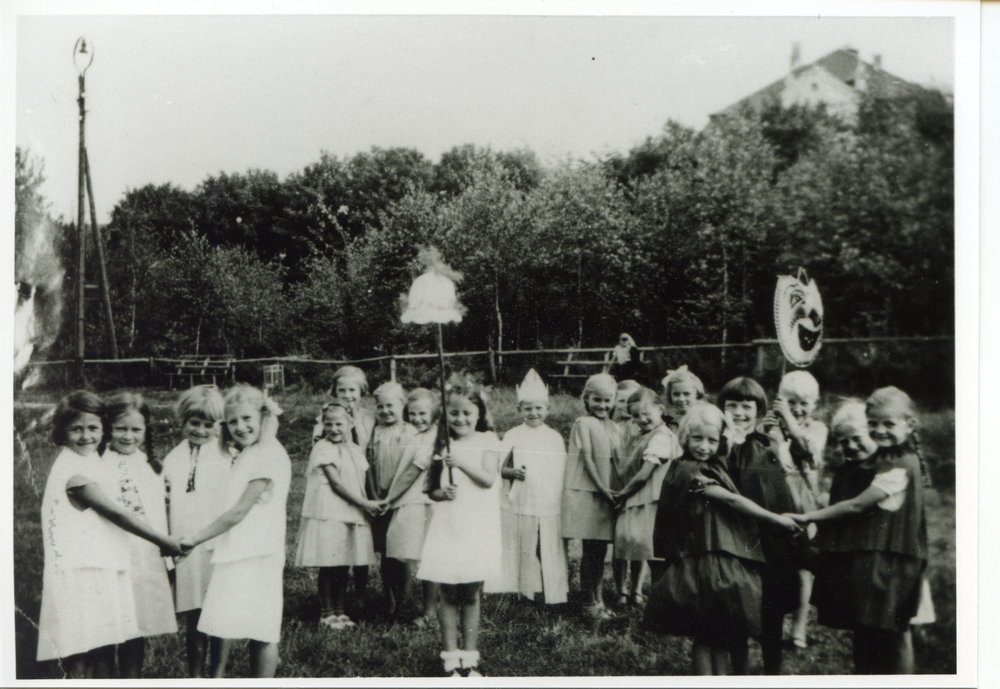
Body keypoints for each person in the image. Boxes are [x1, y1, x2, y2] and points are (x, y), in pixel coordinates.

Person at [643, 404, 802, 676]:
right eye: (697, 438)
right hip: (704, 558)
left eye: (712, 440)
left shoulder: (710, 464)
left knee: (717, 633)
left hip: (714, 554)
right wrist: (774, 519)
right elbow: (731, 499)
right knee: (706, 634)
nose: (704, 446)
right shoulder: (689, 469)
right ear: (685, 437)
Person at [36, 391, 184, 678]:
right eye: (76, 429)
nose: (86, 436)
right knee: (82, 648)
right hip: (79, 570)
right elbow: (118, 514)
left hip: (96, 566)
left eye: (92, 428)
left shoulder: (90, 461)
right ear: (62, 431)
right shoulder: (76, 470)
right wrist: (166, 542)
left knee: (103, 639)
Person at [788, 388, 934, 674]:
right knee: (865, 630)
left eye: (888, 424)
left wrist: (809, 516)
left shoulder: (900, 464)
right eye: (874, 424)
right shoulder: (884, 459)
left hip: (890, 560)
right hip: (872, 561)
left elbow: (855, 507)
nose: (880, 430)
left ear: (910, 424)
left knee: (893, 634)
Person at [184, 385, 291, 678]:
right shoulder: (252, 451)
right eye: (233, 422)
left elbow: (238, 512)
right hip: (241, 549)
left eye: (247, 419)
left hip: (258, 552)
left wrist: (193, 539)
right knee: (230, 621)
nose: (240, 427)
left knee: (264, 629)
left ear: (263, 416)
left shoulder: (267, 454)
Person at [718, 376, 808, 674]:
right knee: (736, 615)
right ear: (722, 408)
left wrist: (786, 418)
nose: (740, 413)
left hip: (769, 543)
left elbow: (805, 454)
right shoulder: (718, 446)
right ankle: (739, 673)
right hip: (734, 542)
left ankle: (772, 671)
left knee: (771, 613)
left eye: (747, 406)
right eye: (732, 406)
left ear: (759, 410)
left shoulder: (770, 444)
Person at [417, 377, 502, 677]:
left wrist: (462, 463)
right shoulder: (443, 444)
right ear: (446, 416)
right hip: (449, 527)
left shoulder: (488, 441)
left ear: (479, 413)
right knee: (449, 593)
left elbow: (488, 479)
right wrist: (444, 493)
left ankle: (470, 655)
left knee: (471, 593)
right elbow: (431, 490)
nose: (461, 418)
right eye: (454, 413)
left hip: (477, 528)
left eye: (467, 412)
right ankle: (450, 657)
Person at [101, 392, 178, 677]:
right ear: (107, 428)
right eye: (120, 428)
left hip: (144, 557)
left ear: (146, 430)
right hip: (112, 553)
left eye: (136, 429)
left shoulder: (150, 466)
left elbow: (159, 516)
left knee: (137, 624)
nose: (128, 436)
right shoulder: (100, 463)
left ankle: (131, 679)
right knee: (110, 626)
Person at [161, 384, 230, 677]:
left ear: (219, 425)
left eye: (208, 424)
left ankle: (218, 675)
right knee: (194, 616)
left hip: (218, 545)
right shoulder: (173, 459)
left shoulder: (228, 456)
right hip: (187, 549)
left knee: (221, 614)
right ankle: (195, 676)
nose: (201, 430)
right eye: (194, 423)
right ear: (183, 422)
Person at [295, 400, 379, 631]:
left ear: (350, 423)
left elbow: (364, 479)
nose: (333, 429)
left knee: (343, 563)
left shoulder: (354, 449)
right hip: (329, 512)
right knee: (329, 563)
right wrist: (364, 504)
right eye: (328, 424)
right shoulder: (322, 448)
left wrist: (373, 501)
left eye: (339, 424)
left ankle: (341, 611)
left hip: (350, 512)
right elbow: (336, 484)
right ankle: (326, 612)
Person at [498, 369, 569, 605]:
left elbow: (562, 470)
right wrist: (510, 472)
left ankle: (556, 594)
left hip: (549, 501)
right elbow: (499, 466)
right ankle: (524, 592)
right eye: (527, 408)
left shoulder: (554, 437)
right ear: (519, 410)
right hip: (522, 499)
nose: (533, 413)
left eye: (539, 408)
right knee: (523, 544)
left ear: (548, 409)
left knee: (547, 544)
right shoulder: (512, 434)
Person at [772, 370, 829, 648]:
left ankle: (799, 629)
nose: (797, 408)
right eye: (790, 402)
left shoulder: (817, 429)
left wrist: (788, 419)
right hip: (775, 499)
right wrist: (770, 426)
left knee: (804, 567)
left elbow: (805, 448)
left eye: (803, 403)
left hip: (803, 501)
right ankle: (771, 620)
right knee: (776, 562)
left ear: (814, 405)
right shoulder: (773, 427)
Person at [562, 373, 623, 620]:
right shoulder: (583, 424)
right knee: (590, 551)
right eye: (597, 400)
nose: (602, 405)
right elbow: (587, 459)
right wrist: (603, 489)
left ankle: (598, 601)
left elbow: (618, 462)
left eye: (608, 400)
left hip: (607, 494)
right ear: (586, 399)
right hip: (590, 492)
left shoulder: (614, 426)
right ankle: (587, 603)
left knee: (599, 551)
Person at [613, 388, 682, 603]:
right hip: (639, 498)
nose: (641, 419)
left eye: (646, 413)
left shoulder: (661, 436)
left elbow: (644, 475)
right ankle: (626, 591)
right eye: (635, 415)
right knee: (629, 545)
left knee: (646, 548)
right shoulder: (643, 435)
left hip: (648, 498)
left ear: (660, 409)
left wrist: (621, 495)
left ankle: (652, 595)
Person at [384, 388, 442, 629]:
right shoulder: (415, 435)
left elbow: (411, 473)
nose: (417, 418)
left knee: (427, 556)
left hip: (423, 502)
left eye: (423, 413)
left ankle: (428, 612)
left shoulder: (434, 437)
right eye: (412, 413)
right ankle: (403, 605)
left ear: (435, 413)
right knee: (406, 554)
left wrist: (389, 499)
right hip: (410, 500)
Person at [367, 381, 417, 616]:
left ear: (402, 404)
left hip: (404, 498)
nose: (385, 411)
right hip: (381, 497)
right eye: (380, 406)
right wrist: (376, 495)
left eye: (390, 405)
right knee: (386, 552)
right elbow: (370, 464)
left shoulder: (411, 431)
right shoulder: (375, 432)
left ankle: (405, 599)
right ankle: (388, 598)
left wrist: (399, 495)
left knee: (404, 551)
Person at [611, 379, 643, 607]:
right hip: (614, 486)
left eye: (631, 401)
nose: (625, 405)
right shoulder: (611, 426)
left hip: (637, 486)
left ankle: (638, 588)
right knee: (620, 540)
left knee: (638, 540)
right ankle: (621, 588)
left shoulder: (642, 426)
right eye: (621, 400)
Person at [313, 366, 377, 453]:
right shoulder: (328, 416)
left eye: (352, 390)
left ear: (361, 390)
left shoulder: (369, 418)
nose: (347, 395)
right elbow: (318, 447)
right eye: (341, 390)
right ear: (335, 391)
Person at [660, 365, 705, 431]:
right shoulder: (669, 421)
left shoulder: (703, 418)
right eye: (676, 394)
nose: (681, 399)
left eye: (686, 394)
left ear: (696, 394)